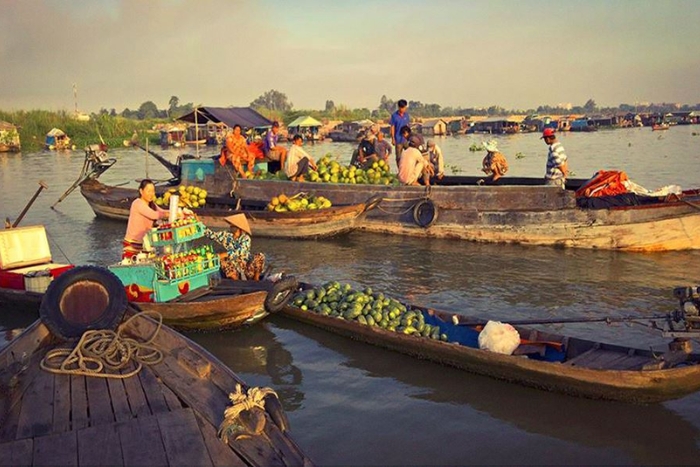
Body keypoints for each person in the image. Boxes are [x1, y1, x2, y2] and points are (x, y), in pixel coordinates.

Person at [204, 214, 266, 281]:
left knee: (260, 256)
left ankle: (256, 279)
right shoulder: (226, 236)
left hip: (247, 267)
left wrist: (225, 254)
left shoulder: (246, 238)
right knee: (223, 260)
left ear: (238, 228)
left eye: (232, 226)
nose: (230, 227)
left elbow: (240, 252)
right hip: (234, 268)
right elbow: (212, 235)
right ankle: (236, 280)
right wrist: (201, 226)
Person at [123, 179, 169, 259]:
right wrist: (167, 214)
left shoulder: (152, 205)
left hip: (145, 244)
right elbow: (154, 215)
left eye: (153, 191)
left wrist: (179, 212)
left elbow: (162, 211)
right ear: (141, 191)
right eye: (148, 191)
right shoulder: (137, 204)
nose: (151, 194)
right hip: (133, 244)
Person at [390, 99, 410, 164]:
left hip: (406, 139)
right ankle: (400, 171)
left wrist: (409, 136)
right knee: (399, 157)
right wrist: (393, 138)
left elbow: (408, 126)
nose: (405, 109)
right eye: (403, 108)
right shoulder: (394, 116)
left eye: (405, 107)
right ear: (399, 107)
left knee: (410, 153)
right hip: (398, 139)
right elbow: (392, 127)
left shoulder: (406, 115)